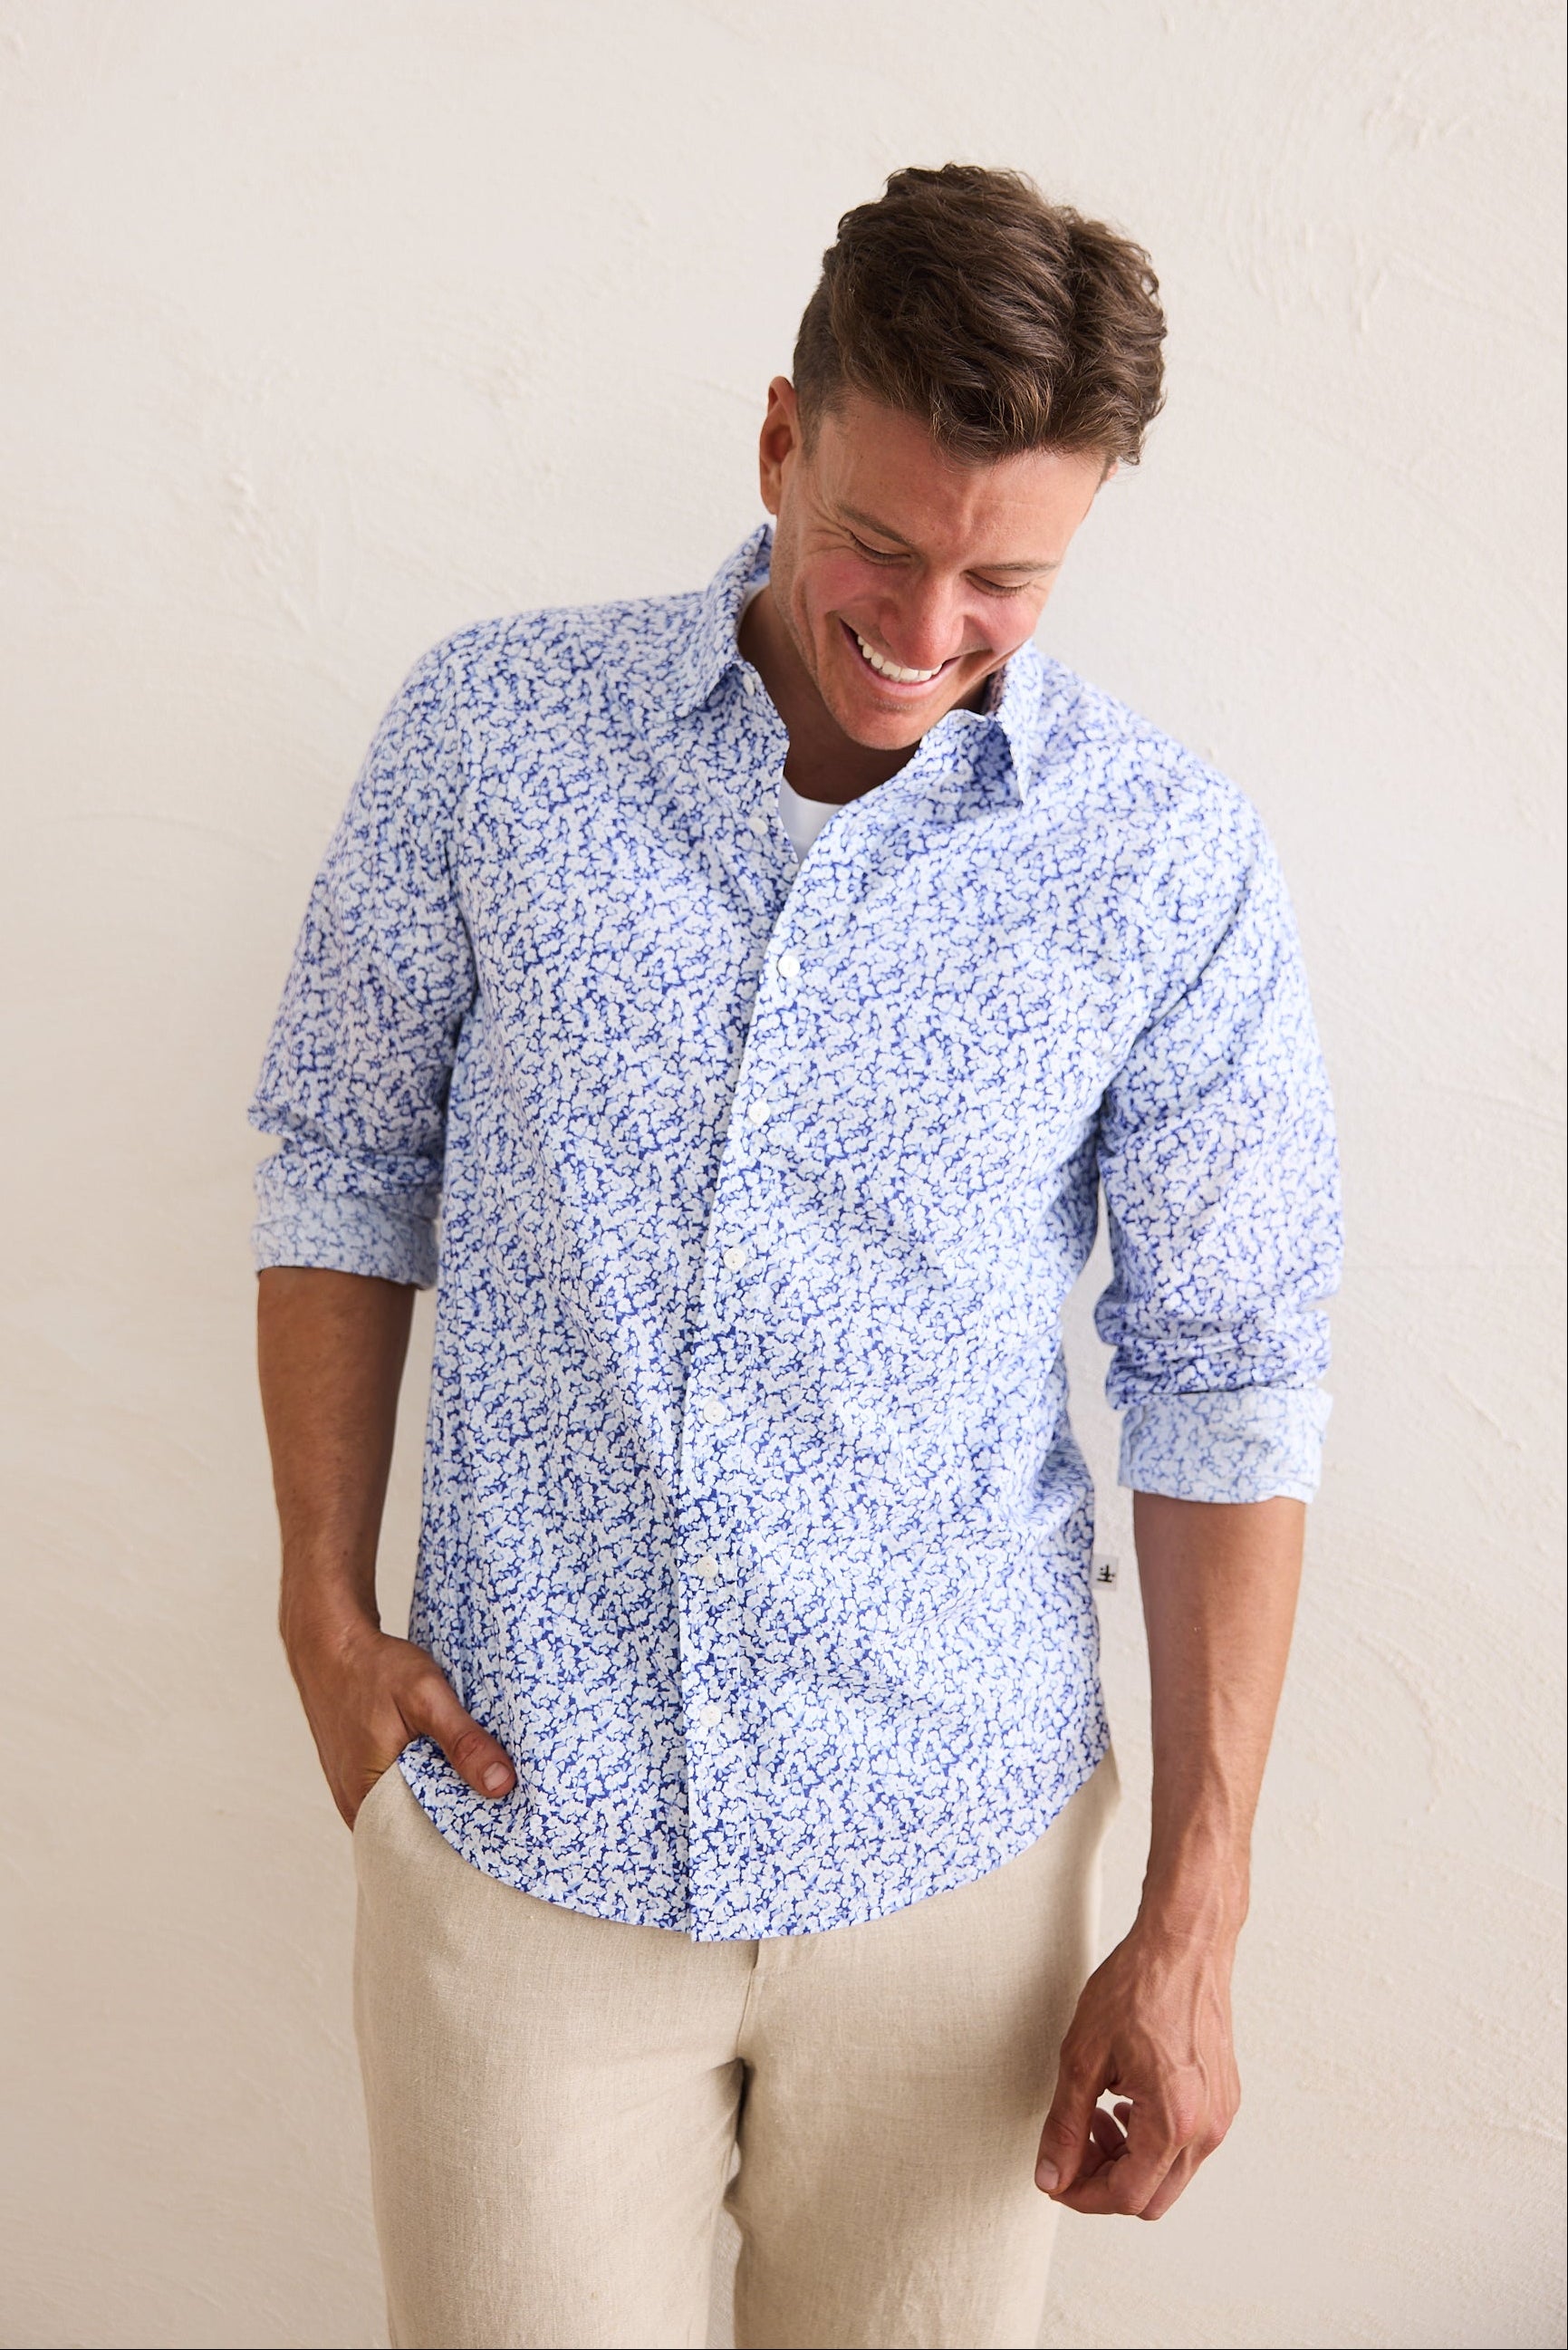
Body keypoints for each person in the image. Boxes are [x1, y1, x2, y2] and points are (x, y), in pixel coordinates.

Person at [252, 163, 1342, 2350]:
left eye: (1002, 579)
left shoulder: (1164, 865)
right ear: (780, 439)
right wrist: (319, 1605)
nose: (925, 630)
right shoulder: (488, 741)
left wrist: (1192, 1897)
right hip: (517, 1838)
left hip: (959, 1870)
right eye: (878, 541)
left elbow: (1226, 1369)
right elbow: (337, 1162)